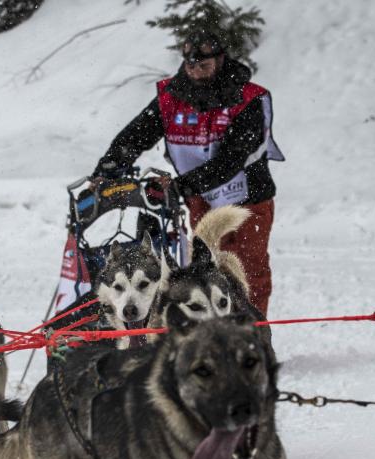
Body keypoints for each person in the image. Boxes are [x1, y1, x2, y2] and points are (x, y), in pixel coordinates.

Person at [92, 29, 283, 315]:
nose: (195, 70)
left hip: (248, 198)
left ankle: (253, 338)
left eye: (203, 64)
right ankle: (212, 333)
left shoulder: (249, 99)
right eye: (190, 64)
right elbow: (136, 134)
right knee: (206, 272)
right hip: (201, 198)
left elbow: (230, 161)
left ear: (220, 60)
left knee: (247, 273)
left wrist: (179, 186)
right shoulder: (172, 96)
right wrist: (108, 169)